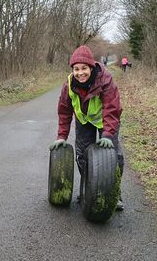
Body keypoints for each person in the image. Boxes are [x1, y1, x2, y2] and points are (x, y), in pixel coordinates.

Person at [49, 45, 124, 210]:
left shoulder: (105, 80)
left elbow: (112, 109)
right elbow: (64, 111)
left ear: (91, 67)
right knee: (82, 155)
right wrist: (62, 136)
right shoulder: (69, 85)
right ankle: (88, 188)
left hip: (106, 120)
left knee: (113, 155)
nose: (80, 72)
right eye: (76, 69)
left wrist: (108, 134)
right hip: (84, 121)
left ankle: (113, 193)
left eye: (84, 68)